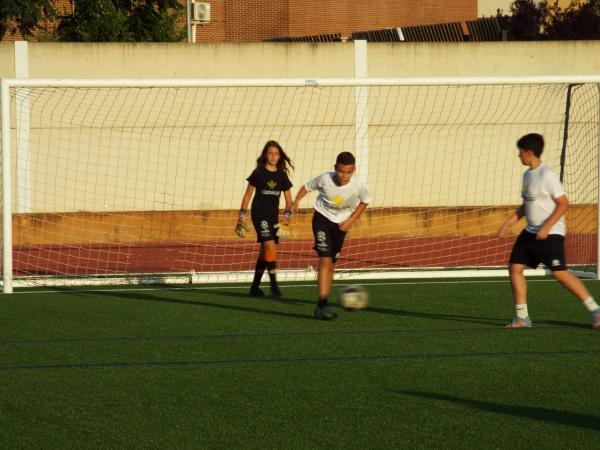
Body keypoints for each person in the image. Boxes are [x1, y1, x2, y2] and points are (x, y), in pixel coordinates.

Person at [497, 133, 600, 329]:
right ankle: (522, 318)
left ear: (529, 152)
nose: (519, 156)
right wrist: (507, 224)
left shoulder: (547, 175)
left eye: (520, 153)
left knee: (559, 273)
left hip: (550, 233)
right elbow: (525, 206)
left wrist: (547, 227)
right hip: (530, 231)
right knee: (515, 267)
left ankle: (596, 311)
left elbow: (563, 203)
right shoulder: (527, 175)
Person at [290, 151, 371, 320]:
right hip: (322, 219)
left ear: (354, 170)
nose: (344, 176)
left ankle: (322, 304)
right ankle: (322, 304)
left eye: (348, 172)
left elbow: (365, 201)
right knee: (325, 259)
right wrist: (295, 201)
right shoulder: (325, 179)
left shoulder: (356, 186)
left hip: (341, 225)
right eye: (341, 171)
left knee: (332, 264)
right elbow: (307, 187)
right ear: (335, 168)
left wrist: (350, 221)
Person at [236, 140, 293, 298]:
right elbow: (248, 195)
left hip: (273, 217)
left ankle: (254, 287)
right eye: (270, 153)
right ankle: (274, 286)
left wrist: (286, 220)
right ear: (265, 155)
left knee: (265, 251)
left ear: (280, 156)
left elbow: (289, 201)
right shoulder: (259, 173)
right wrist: (241, 217)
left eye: (276, 154)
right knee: (269, 246)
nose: (273, 157)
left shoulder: (282, 175)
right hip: (259, 214)